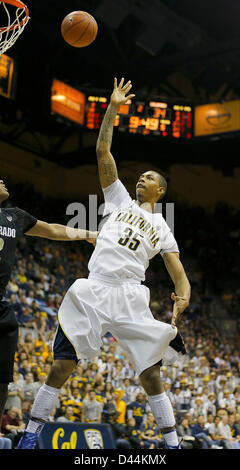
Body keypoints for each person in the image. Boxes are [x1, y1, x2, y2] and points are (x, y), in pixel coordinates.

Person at [18, 77, 190, 450]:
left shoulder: (163, 226)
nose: (139, 179)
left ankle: (173, 443)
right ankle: (31, 434)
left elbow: (179, 274)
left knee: (151, 376)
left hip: (131, 297)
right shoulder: (118, 201)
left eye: (148, 178)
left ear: (160, 191)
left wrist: (183, 295)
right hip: (94, 288)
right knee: (62, 365)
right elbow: (102, 151)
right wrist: (112, 107)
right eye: (139, 176)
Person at [0, 178, 97, 428]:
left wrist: (86, 234)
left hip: (1, 309)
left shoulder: (14, 217)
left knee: (2, 379)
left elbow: (53, 230)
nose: (2, 180)